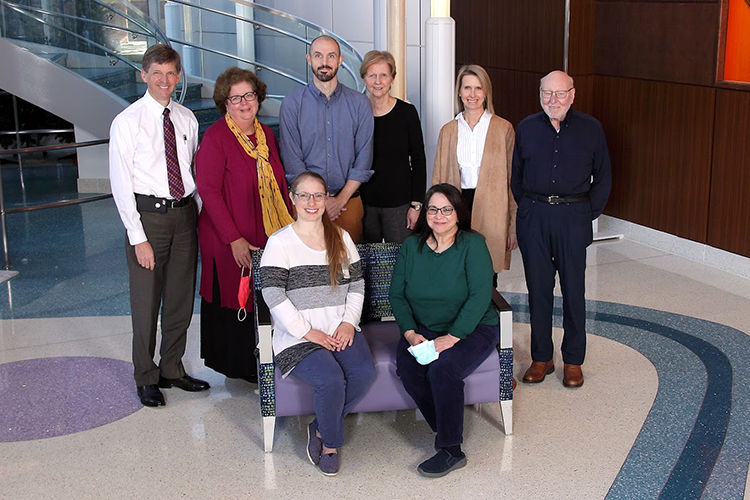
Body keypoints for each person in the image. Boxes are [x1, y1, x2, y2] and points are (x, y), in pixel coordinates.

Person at [109, 44, 209, 407]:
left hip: (185, 215)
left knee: (181, 297)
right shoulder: (127, 122)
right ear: (144, 75)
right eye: (157, 73)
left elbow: (191, 172)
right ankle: (145, 375)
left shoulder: (186, 119)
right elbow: (120, 184)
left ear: (178, 76)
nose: (164, 80)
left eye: (170, 73)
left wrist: (199, 215)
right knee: (146, 300)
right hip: (148, 218)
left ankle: (172, 367)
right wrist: (138, 237)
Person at [260, 171, 376, 476]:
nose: (312, 202)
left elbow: (357, 284)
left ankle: (321, 426)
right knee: (331, 379)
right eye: (304, 195)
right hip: (297, 337)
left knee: (363, 373)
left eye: (318, 195)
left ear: (327, 199)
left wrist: (349, 322)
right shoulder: (279, 242)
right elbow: (272, 293)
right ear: (293, 199)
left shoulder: (341, 237)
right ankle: (330, 444)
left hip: (339, 328)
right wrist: (307, 331)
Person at [389, 183, 499, 478]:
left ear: (458, 213)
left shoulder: (472, 245)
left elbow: (479, 297)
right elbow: (396, 295)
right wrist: (410, 333)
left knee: (443, 369)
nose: (439, 215)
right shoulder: (411, 246)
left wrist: (451, 338)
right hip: (423, 327)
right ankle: (445, 422)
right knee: (408, 367)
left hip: (473, 327)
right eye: (433, 209)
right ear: (424, 213)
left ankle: (451, 449)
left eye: (446, 209)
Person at [511, 70, 612, 388]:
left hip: (573, 217)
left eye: (559, 93)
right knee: (538, 292)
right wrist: (528, 208)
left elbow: (604, 177)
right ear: (539, 94)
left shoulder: (591, 129)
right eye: (546, 93)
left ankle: (573, 361)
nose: (552, 100)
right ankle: (542, 357)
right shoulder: (526, 128)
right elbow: (516, 176)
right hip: (535, 217)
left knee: (573, 292)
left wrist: (586, 214)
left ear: (572, 94)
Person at [195, 67, 293, 384]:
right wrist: (233, 238)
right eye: (235, 97)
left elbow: (278, 184)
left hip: (266, 234)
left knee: (265, 297)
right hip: (228, 237)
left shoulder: (265, 134)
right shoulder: (216, 137)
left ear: (258, 98)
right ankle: (240, 366)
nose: (243, 103)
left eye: (248, 95)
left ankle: (265, 359)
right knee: (237, 298)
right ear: (225, 102)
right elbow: (208, 190)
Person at [279, 35, 374, 243]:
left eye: (331, 56)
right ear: (308, 59)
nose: (324, 62)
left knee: (349, 269)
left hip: (348, 202)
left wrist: (339, 200)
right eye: (318, 56)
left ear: (340, 60)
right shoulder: (292, 105)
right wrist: (318, 200)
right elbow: (293, 161)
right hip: (306, 206)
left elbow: (364, 159)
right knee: (307, 270)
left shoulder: (360, 104)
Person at [433, 64, 517, 287]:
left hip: (492, 208)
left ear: (486, 92)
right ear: (459, 92)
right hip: (457, 204)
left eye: (478, 88)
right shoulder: (449, 130)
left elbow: (512, 182)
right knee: (455, 267)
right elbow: (438, 180)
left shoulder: (503, 129)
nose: (473, 95)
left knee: (486, 271)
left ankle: (486, 320)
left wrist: (513, 226)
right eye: (467, 88)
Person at [359, 50, 426, 243]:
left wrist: (416, 205)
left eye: (383, 75)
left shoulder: (407, 113)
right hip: (365, 204)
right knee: (368, 264)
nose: (377, 81)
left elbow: (419, 160)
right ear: (364, 79)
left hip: (399, 205)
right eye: (372, 75)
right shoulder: (358, 112)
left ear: (392, 79)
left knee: (399, 263)